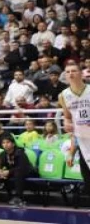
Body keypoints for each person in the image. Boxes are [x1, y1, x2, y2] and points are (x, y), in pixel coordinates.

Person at [60, 62, 90, 191]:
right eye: (68, 72)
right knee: (88, 181)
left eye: (74, 71)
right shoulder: (63, 95)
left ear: (81, 73)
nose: (71, 74)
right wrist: (72, 152)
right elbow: (68, 118)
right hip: (82, 142)